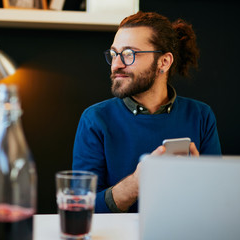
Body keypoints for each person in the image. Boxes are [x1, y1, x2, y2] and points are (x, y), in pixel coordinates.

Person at [72, 11, 221, 213]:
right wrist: (135, 184)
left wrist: (196, 182)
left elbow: (218, 204)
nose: (116, 64)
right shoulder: (95, 120)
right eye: (114, 54)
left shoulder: (201, 116)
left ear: (164, 62)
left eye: (129, 54)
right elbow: (80, 207)